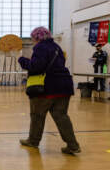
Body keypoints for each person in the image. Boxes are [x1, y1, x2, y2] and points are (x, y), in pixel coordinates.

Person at [18, 27, 80, 155]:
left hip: (47, 87)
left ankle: (33, 141)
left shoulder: (40, 48)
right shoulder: (57, 47)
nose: (32, 41)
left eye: (32, 38)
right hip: (64, 86)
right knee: (61, 116)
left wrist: (21, 60)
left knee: (37, 115)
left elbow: (35, 67)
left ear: (37, 38)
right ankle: (73, 145)